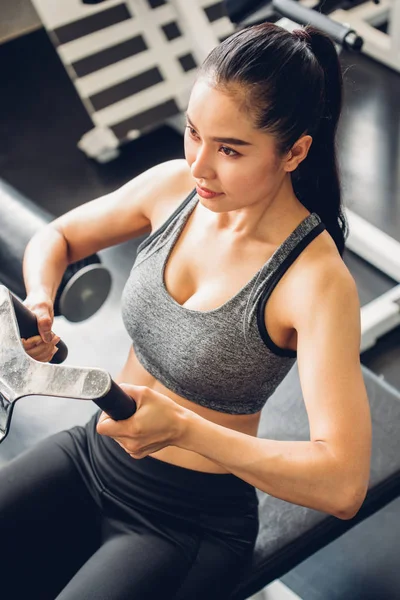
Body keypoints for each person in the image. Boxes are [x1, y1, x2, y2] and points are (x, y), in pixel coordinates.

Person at [1, 22, 371, 600]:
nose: (200, 164)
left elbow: (342, 483)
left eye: (229, 149)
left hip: (185, 520)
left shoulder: (316, 281)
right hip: (91, 453)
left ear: (295, 151)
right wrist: (43, 302)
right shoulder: (176, 189)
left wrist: (184, 428)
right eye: (194, 133)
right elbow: (58, 237)